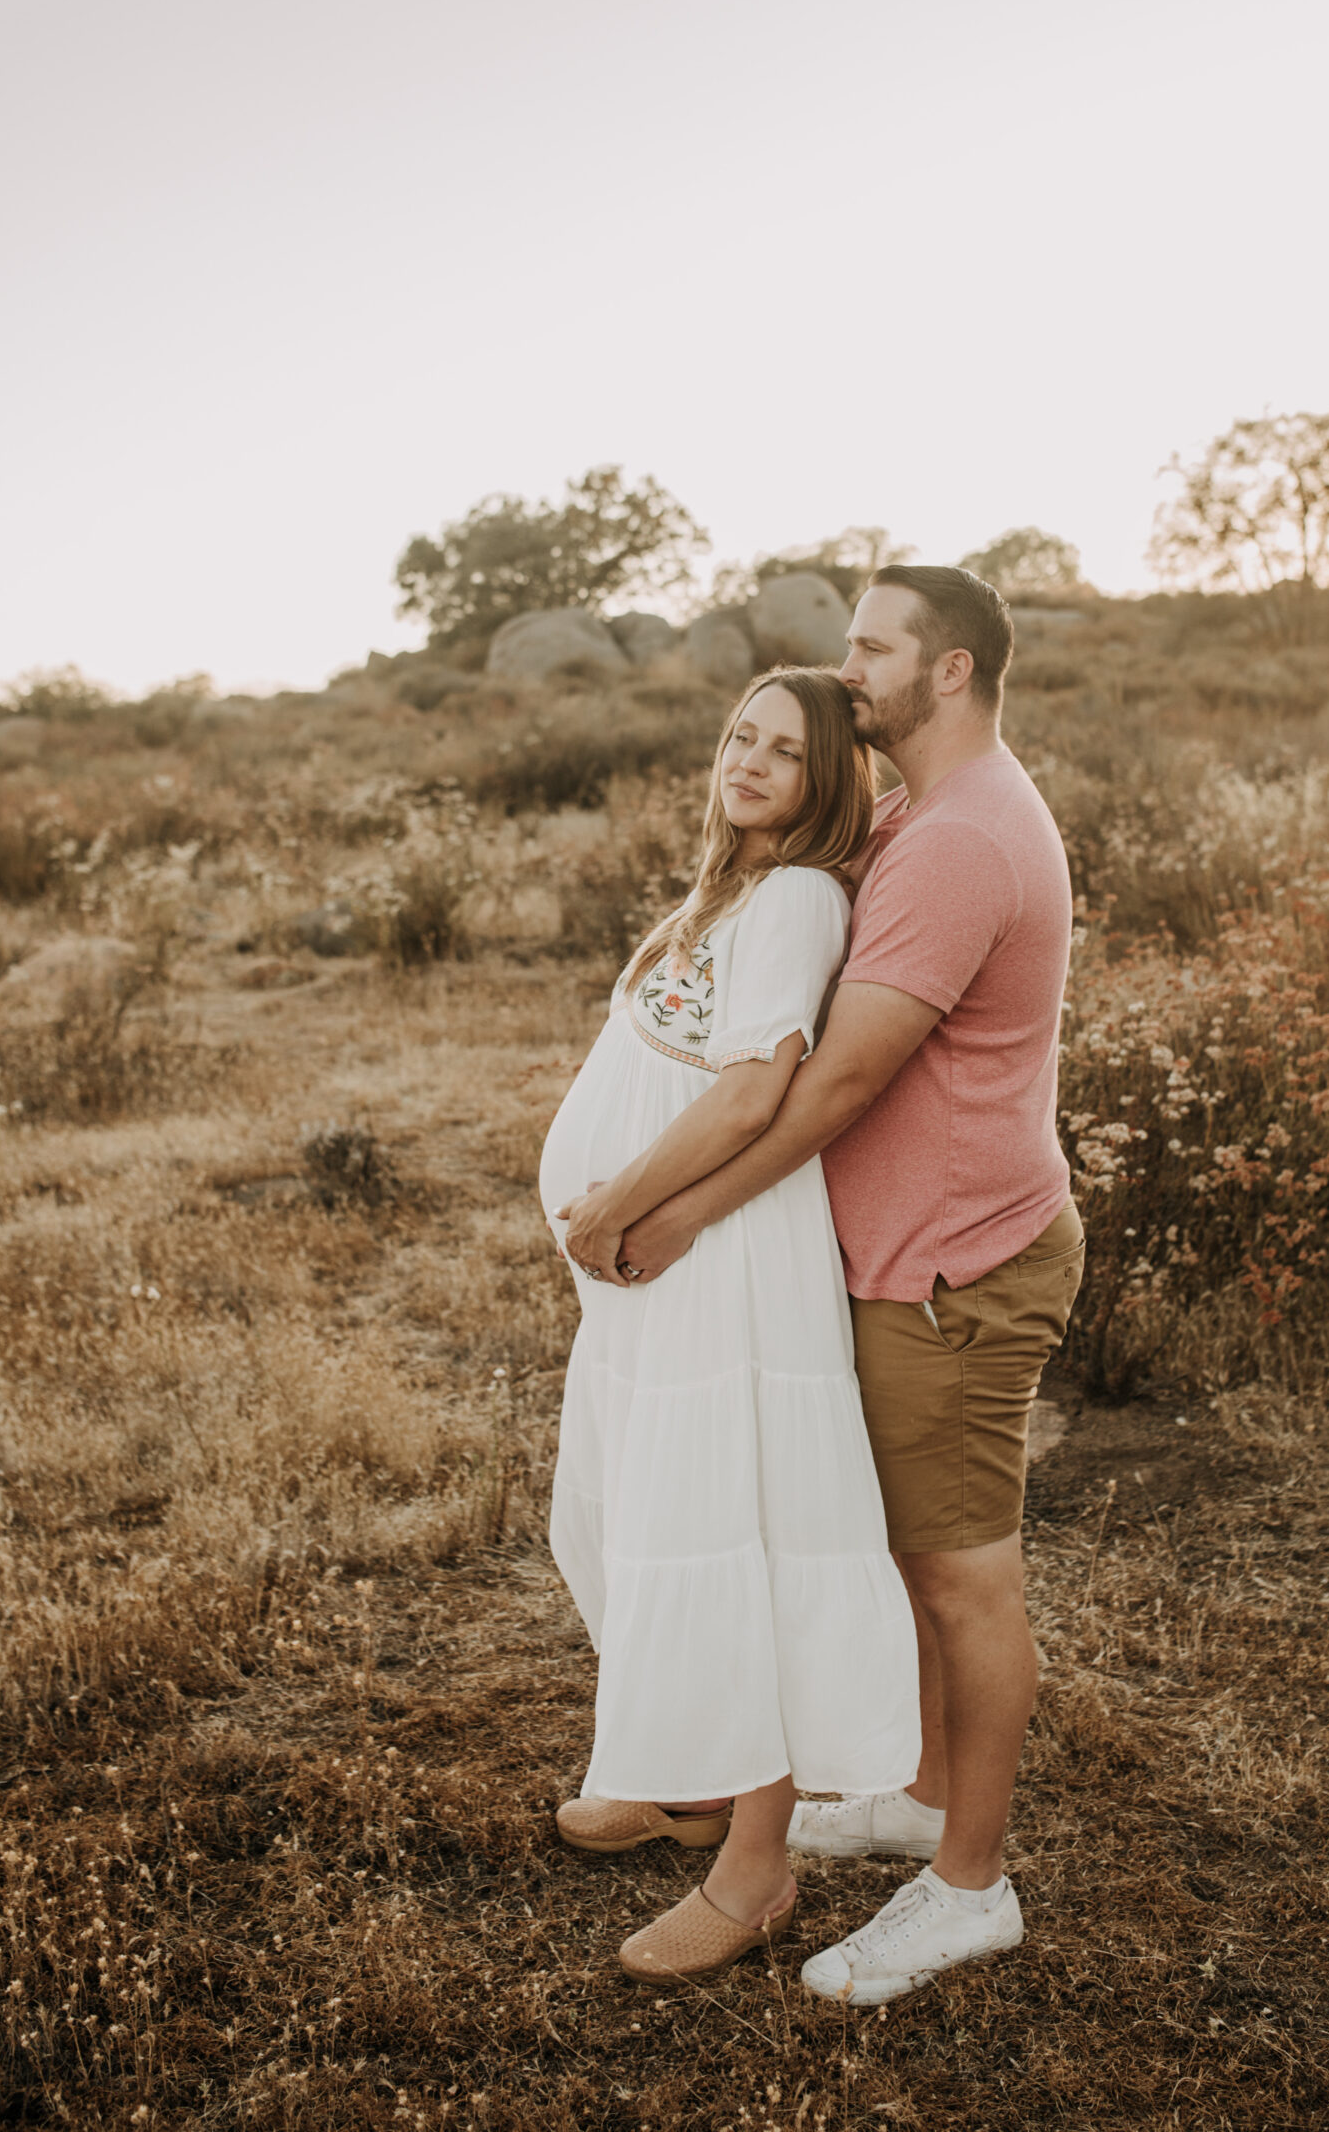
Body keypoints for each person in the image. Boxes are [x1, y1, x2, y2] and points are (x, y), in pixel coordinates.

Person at [618, 565, 1083, 2007]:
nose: (849, 669)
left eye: (873, 648)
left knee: (960, 1575)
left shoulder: (957, 843)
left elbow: (848, 1078)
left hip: (954, 1267)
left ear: (949, 671)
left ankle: (969, 1887)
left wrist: (681, 1208)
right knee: (898, 1552)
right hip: (920, 1250)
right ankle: (924, 1788)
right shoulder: (927, 812)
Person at [540, 665, 921, 1984]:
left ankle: (754, 1868)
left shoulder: (803, 896)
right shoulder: (737, 883)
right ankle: (683, 1769)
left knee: (732, 1538)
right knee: (638, 1514)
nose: (750, 762)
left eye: (787, 752)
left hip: (725, 1263)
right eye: (738, 737)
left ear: (830, 784)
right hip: (661, 1275)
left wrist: (624, 1204)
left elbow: (759, 1088)